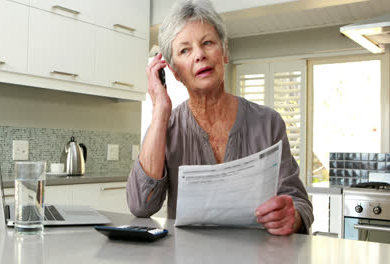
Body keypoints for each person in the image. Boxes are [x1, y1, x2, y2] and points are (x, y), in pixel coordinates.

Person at [127, 0, 313, 235]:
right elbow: (141, 205)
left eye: (207, 43)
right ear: (173, 71)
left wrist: (291, 216)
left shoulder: (269, 123)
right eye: (185, 50)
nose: (200, 55)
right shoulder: (165, 127)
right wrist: (160, 110)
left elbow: (300, 203)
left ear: (224, 52)